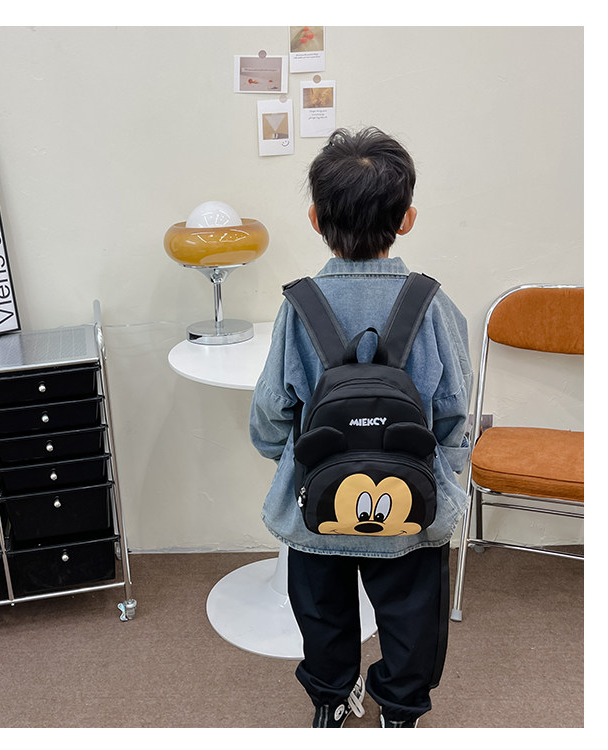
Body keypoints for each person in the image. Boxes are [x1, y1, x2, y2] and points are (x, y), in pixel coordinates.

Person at [249, 127, 472, 728]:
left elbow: (272, 411)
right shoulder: (432, 304)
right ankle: (399, 709)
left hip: (316, 501)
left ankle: (331, 697)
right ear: (407, 219)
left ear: (316, 219)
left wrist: (284, 456)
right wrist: (443, 474)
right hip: (409, 502)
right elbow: (454, 411)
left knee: (321, 611)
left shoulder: (299, 305)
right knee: (412, 615)